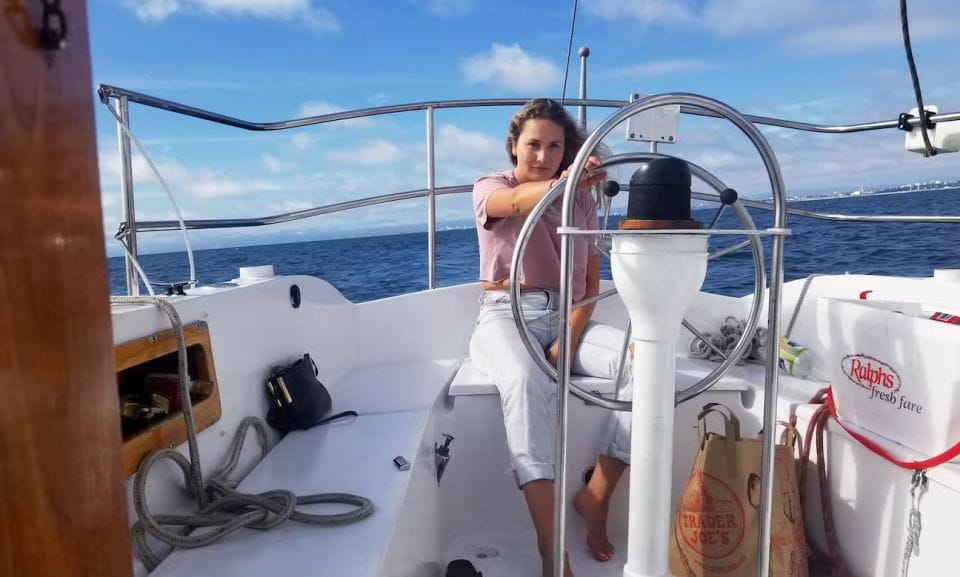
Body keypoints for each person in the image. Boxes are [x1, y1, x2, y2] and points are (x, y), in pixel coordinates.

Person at [468, 98, 633, 577]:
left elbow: (588, 282)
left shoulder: (581, 199)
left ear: (567, 150)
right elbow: (517, 202)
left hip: (568, 315)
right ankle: (551, 548)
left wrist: (567, 340)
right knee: (525, 379)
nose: (542, 155)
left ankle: (596, 496)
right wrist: (566, 180)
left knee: (646, 362)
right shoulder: (491, 187)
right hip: (504, 315)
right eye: (533, 145)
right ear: (513, 147)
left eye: (556, 147)